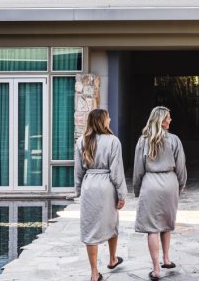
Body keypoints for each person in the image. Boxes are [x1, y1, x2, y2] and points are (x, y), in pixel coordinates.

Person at [133, 106, 187, 281]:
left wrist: (137, 189)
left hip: (150, 183)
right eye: (168, 118)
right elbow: (181, 167)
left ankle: (156, 268)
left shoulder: (143, 140)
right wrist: (180, 187)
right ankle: (166, 258)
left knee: (152, 227)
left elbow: (138, 169)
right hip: (170, 182)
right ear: (160, 120)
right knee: (166, 222)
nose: (170, 120)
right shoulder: (175, 140)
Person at [74, 109, 128, 281]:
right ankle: (112, 259)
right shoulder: (113, 141)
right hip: (106, 185)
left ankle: (94, 273)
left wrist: (78, 190)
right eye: (108, 117)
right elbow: (116, 171)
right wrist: (121, 194)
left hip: (89, 185)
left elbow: (78, 170)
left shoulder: (81, 141)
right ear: (102, 121)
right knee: (112, 222)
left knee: (90, 229)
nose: (110, 119)